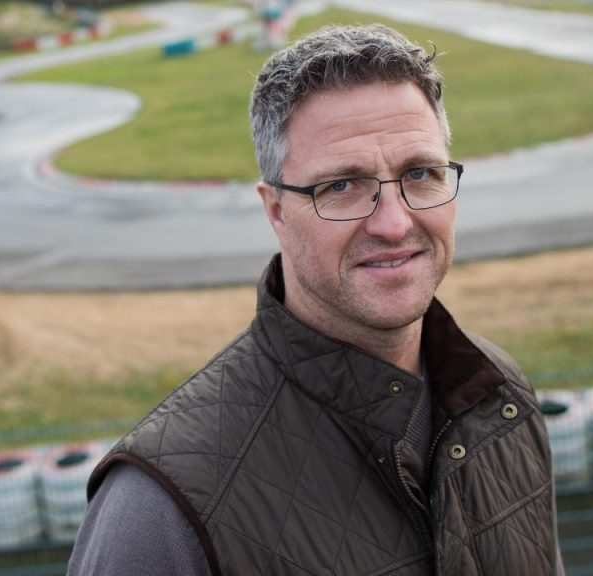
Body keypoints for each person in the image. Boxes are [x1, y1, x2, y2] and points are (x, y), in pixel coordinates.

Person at [69, 23, 562, 576]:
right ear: (276, 211)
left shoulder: (503, 398)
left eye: (420, 173)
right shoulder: (160, 511)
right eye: (342, 186)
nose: (395, 224)